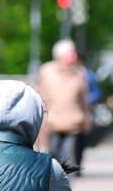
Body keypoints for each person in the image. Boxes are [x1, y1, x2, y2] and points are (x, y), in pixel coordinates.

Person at [36, 39, 93, 172]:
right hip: (52, 122)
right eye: (71, 53)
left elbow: (84, 98)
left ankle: (68, 182)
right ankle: (53, 180)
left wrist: (87, 118)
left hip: (73, 122)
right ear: (60, 55)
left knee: (69, 158)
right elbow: (40, 95)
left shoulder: (80, 72)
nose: (75, 55)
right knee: (52, 155)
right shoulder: (46, 71)